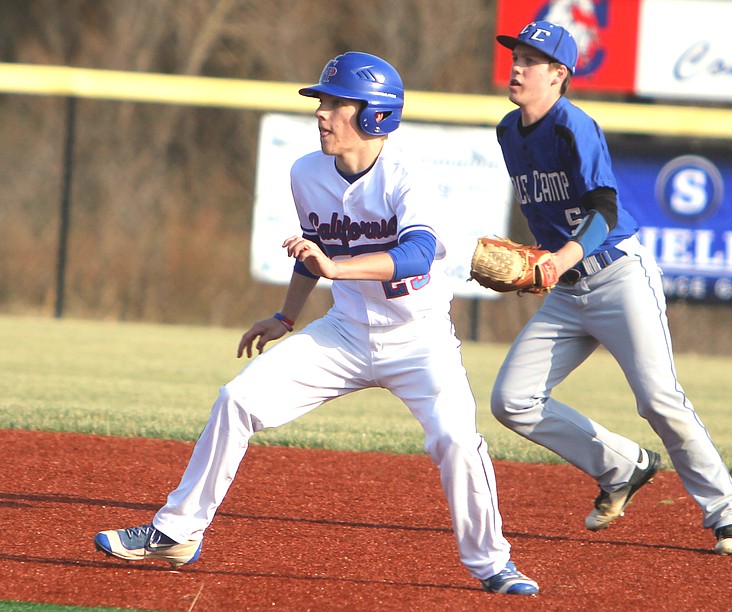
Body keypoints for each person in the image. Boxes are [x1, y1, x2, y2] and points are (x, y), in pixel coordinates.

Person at [93, 52, 539, 595]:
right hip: (344, 333)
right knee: (238, 400)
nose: (322, 114)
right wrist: (287, 315)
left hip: (419, 341)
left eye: (336, 103)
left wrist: (337, 267)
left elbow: (420, 253)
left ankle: (492, 564)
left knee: (455, 439)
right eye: (321, 102)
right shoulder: (306, 171)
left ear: (375, 115)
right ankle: (176, 533)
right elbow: (315, 250)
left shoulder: (408, 175)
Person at [490, 22, 732, 556]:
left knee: (658, 400)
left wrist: (559, 257)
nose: (518, 66)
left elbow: (604, 209)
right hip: (567, 289)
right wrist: (538, 265)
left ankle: (729, 512)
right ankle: (622, 465)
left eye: (532, 60)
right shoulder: (507, 130)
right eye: (517, 55)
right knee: (511, 400)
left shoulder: (573, 125)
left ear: (559, 74)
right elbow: (549, 211)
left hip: (617, 276)